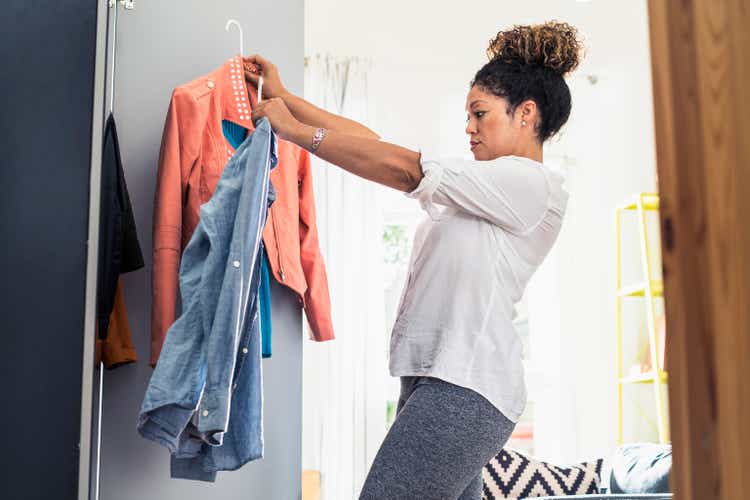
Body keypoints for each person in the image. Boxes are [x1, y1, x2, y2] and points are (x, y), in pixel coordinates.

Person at [246, 20, 582, 500]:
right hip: (434, 378)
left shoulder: (532, 186)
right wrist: (285, 96)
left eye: (480, 114)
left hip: (467, 385)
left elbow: (404, 169)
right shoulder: (479, 185)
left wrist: (294, 131)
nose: (468, 127)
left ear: (526, 114)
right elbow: (376, 147)